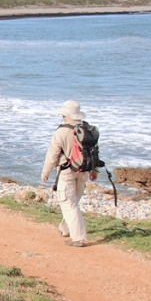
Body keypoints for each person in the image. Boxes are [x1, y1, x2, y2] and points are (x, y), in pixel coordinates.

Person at [41, 100, 98, 247]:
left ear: (65, 114)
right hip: (84, 171)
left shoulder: (62, 131)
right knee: (73, 202)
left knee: (68, 203)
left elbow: (53, 154)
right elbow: (95, 152)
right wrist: (94, 170)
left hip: (67, 172)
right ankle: (65, 229)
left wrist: (45, 172)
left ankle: (78, 238)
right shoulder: (88, 129)